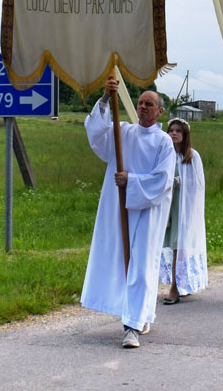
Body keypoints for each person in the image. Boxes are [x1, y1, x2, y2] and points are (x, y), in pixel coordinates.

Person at [82, 81, 175, 349]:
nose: (142, 107)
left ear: (159, 112)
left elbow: (162, 180)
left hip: (147, 212)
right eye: (140, 103)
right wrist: (105, 98)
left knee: (141, 267)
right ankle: (137, 315)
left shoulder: (164, 143)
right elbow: (97, 137)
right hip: (119, 207)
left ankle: (132, 326)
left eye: (149, 104)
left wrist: (131, 181)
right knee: (119, 261)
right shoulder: (123, 132)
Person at [159, 118, 208, 305]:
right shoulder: (165, 155)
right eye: (171, 130)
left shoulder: (192, 157)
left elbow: (197, 185)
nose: (174, 133)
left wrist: (181, 184)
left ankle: (176, 287)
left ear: (185, 134)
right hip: (168, 207)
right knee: (170, 245)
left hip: (183, 208)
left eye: (178, 131)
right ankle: (177, 283)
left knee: (179, 245)